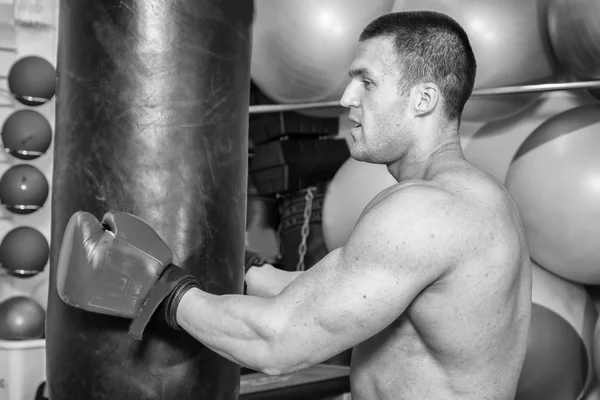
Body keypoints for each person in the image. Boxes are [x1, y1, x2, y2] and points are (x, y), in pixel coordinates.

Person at [56, 10, 532, 400]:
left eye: (366, 82)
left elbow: (277, 343)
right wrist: (241, 266)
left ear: (424, 99)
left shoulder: (424, 211)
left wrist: (161, 292)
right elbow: (347, 292)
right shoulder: (483, 201)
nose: (346, 98)